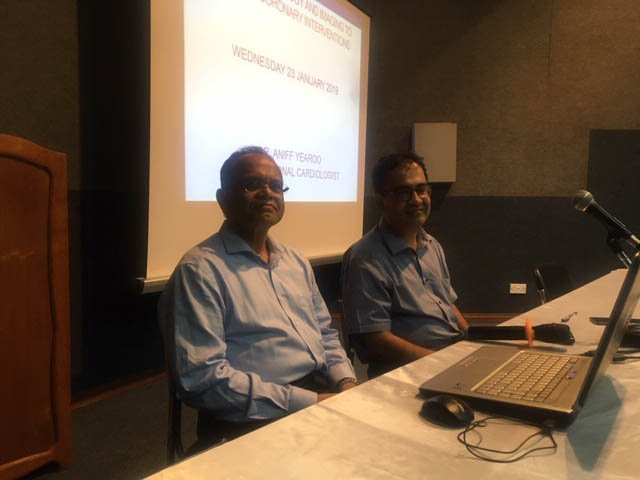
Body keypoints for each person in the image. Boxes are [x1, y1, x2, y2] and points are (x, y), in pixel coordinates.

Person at [159, 146, 357, 450]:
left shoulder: (295, 261)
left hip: (320, 395)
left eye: (276, 186)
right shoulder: (200, 271)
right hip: (249, 421)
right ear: (222, 200)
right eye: (252, 184)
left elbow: (325, 334)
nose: (268, 193)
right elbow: (203, 379)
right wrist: (310, 403)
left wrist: (346, 383)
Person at [341, 152, 468, 378]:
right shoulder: (365, 258)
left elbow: (448, 304)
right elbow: (374, 340)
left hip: (451, 358)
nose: (416, 199)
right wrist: (440, 362)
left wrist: (473, 338)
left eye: (421, 189)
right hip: (408, 374)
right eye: (403, 192)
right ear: (380, 200)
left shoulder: (432, 245)